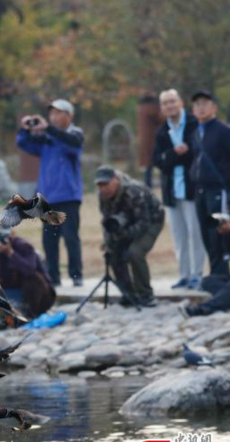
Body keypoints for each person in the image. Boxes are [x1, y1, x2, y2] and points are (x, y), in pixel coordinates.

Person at [16, 99, 84, 287]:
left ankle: (76, 276)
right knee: (50, 240)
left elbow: (72, 143)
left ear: (69, 115)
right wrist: (25, 129)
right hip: (48, 197)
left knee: (71, 238)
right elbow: (24, 144)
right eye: (51, 114)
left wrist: (48, 129)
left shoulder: (74, 134)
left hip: (69, 195)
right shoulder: (47, 139)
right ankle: (53, 278)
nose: (53, 117)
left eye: (58, 113)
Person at [151, 89, 205, 290]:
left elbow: (196, 151)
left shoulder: (193, 123)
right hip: (172, 190)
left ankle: (197, 274)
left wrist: (175, 156)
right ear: (162, 107)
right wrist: (174, 153)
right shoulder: (161, 132)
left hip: (192, 188)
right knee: (179, 236)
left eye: (172, 101)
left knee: (195, 232)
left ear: (181, 103)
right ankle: (184, 274)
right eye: (165, 103)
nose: (170, 106)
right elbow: (158, 160)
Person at [189, 90, 230, 280]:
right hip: (200, 190)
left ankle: (221, 273)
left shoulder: (225, 131)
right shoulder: (196, 133)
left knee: (218, 232)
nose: (201, 108)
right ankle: (214, 272)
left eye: (205, 103)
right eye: (197, 105)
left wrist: (227, 179)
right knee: (205, 233)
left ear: (214, 107)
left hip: (217, 190)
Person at [96, 166, 165, 307]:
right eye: (100, 185)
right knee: (113, 253)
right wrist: (109, 240)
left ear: (116, 179)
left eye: (106, 184)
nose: (103, 189)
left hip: (152, 221)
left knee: (135, 252)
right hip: (127, 225)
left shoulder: (134, 191)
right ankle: (128, 293)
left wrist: (124, 235)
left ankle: (146, 294)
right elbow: (107, 220)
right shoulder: (103, 196)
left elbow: (144, 222)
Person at [0, 222, 56, 320]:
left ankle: (31, 312)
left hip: (40, 294)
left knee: (33, 279)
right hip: (11, 290)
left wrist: (10, 253)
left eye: (4, 236)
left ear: (13, 234)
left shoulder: (24, 246)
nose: (2, 239)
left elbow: (29, 271)